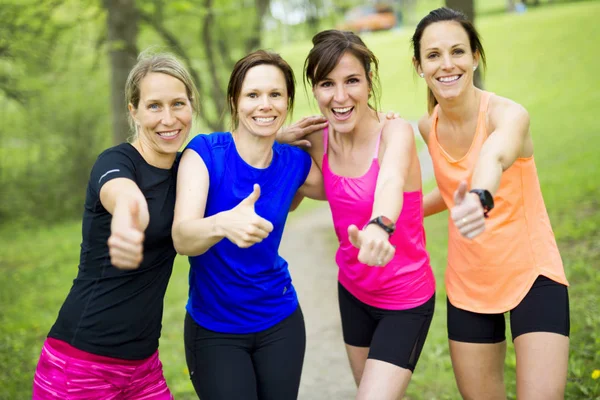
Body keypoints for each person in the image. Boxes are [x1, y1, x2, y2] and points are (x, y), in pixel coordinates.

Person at [412, 7, 569, 399]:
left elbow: (494, 157)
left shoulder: (508, 114)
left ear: (475, 56)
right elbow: (450, 192)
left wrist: (480, 197)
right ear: (419, 66)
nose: (447, 65)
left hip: (532, 274)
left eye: (457, 51)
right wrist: (390, 216)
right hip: (469, 286)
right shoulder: (426, 127)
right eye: (433, 55)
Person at [31, 52, 200, 399]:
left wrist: (274, 136)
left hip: (144, 368)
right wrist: (127, 217)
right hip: (80, 366)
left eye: (177, 103)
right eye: (154, 106)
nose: (168, 118)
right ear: (133, 111)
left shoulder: (189, 169)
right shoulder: (115, 161)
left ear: (192, 106)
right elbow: (124, 196)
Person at [280, 29, 436, 400]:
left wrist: (379, 226)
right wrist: (278, 144)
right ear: (313, 90)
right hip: (353, 293)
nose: (340, 96)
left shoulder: (395, 131)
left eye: (352, 80)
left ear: (369, 82)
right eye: (326, 84)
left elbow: (391, 180)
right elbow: (286, 200)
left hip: (405, 298)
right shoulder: (317, 139)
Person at [172, 50, 325, 400]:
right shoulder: (205, 153)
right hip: (215, 330)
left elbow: (347, 184)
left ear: (287, 102)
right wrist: (223, 223)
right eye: (253, 95)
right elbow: (182, 238)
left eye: (275, 95)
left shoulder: (293, 163)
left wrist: (379, 124)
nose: (264, 104)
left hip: (280, 320)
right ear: (234, 101)